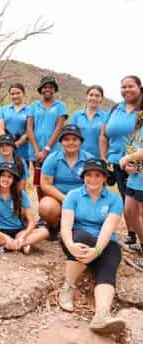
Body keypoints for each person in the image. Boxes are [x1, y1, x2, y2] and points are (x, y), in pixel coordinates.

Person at [58, 158, 125, 334]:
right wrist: (70, 245)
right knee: (82, 237)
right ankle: (68, 286)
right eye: (88, 175)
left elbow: (108, 228)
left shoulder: (115, 199)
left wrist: (97, 251)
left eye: (97, 175)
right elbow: (65, 225)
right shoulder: (73, 195)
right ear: (83, 177)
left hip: (103, 243)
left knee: (108, 267)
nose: (92, 179)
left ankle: (102, 315)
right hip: (76, 240)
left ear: (104, 177)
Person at [0, 162, 49, 258]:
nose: (6, 179)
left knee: (44, 232)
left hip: (18, 231)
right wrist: (4, 236)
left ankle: (3, 246)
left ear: (14, 180)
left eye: (9, 177)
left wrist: (23, 236)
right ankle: (20, 245)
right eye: (3, 176)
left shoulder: (21, 194)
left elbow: (31, 222)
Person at [100, 75, 141, 246]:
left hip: (137, 164)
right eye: (123, 87)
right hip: (117, 161)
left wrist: (133, 159)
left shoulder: (141, 111)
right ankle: (132, 235)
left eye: (130, 86)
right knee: (127, 201)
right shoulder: (116, 108)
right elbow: (103, 134)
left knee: (138, 205)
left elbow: (138, 139)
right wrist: (104, 158)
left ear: (139, 87)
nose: (126, 90)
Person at [39, 125, 93, 239]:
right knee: (46, 207)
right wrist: (65, 199)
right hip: (59, 198)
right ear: (61, 142)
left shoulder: (89, 159)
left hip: (82, 198)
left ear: (80, 141)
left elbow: (96, 184)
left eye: (75, 139)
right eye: (66, 139)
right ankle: (54, 225)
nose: (71, 143)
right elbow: (45, 184)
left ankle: (78, 226)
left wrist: (79, 200)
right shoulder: (53, 158)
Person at [27, 75, 68, 200]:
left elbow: (59, 129)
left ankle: (55, 211)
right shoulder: (33, 106)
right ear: (41, 89)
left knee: (53, 182)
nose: (47, 89)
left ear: (54, 89)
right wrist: (36, 151)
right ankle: (42, 214)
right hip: (36, 152)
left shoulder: (60, 106)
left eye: (50, 87)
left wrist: (46, 149)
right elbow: (29, 128)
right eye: (45, 87)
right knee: (38, 182)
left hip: (54, 151)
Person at [119, 106, 143, 269]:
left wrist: (129, 157)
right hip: (135, 178)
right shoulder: (138, 128)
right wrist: (130, 164)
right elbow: (134, 149)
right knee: (129, 212)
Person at [70, 85, 107, 158]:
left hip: (98, 159)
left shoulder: (106, 117)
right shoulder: (76, 115)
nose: (94, 98)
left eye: (97, 96)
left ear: (102, 99)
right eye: (91, 95)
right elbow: (70, 136)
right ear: (86, 97)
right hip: (78, 157)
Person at [0, 82, 30, 162]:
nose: (15, 96)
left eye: (18, 93)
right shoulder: (4, 109)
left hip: (23, 150)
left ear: (24, 93)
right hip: (5, 148)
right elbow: (0, 128)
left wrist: (17, 144)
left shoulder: (30, 110)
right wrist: (8, 142)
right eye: (12, 94)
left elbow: (29, 131)